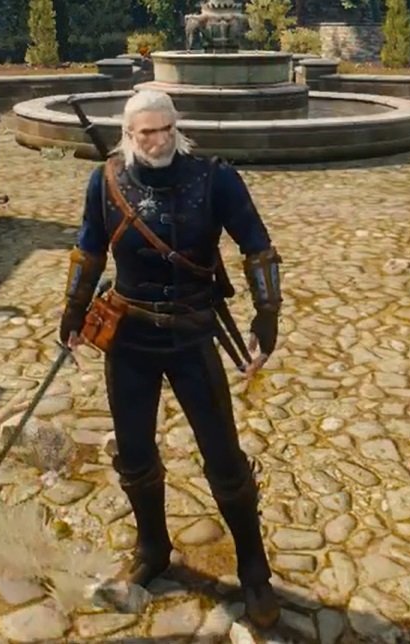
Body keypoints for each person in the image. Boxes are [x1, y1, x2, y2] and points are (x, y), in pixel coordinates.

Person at [59, 89, 283, 629]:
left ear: (176, 129)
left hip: (191, 336)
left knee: (224, 460)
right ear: (128, 135)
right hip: (130, 340)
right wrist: (72, 309)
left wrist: (267, 312)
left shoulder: (214, 179)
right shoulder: (105, 181)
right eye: (146, 132)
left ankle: (254, 570)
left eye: (165, 130)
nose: (157, 141)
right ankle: (153, 548)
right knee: (135, 456)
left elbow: (257, 245)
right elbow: (89, 248)